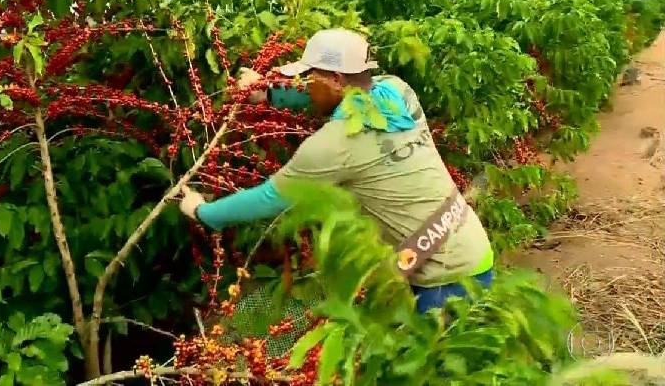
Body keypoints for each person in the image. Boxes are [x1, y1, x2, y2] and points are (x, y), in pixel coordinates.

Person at [178, 28, 494, 313]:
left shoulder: (335, 144)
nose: (304, 84)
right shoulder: (397, 91)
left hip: (446, 278)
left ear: (336, 80)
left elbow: (270, 197)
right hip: (470, 243)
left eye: (309, 76)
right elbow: (330, 93)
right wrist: (268, 94)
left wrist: (205, 212)